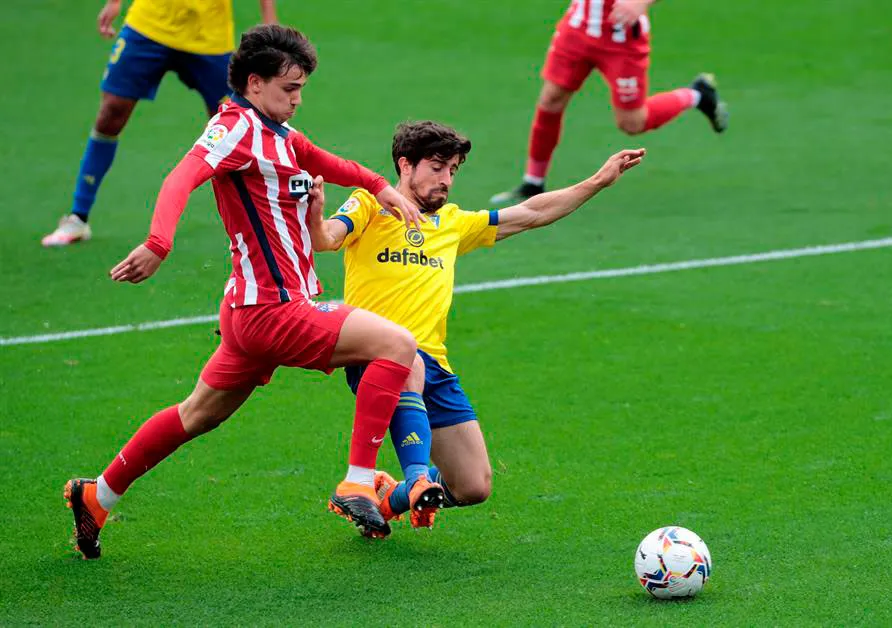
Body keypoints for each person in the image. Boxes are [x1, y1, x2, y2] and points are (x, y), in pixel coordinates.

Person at [64, 25, 428, 559]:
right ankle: (357, 480)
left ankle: (97, 495)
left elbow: (327, 162)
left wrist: (380, 186)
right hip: (272, 309)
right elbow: (181, 177)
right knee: (398, 345)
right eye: (290, 88)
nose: (298, 99)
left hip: (252, 310)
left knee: (198, 414)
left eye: (302, 88)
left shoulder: (277, 131)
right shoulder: (232, 128)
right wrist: (159, 243)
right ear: (254, 84)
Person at [308, 121, 644, 530]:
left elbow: (532, 213)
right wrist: (314, 215)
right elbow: (326, 239)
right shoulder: (369, 205)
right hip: (375, 354)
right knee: (406, 357)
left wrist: (597, 181)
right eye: (437, 167)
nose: (447, 179)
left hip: (435, 364)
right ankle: (415, 479)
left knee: (472, 486)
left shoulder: (452, 222)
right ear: (405, 165)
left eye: (453, 170)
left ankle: (389, 497)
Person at [42, 0, 278, 247]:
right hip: (149, 24)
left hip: (208, 34)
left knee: (237, 124)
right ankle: (77, 218)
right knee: (112, 111)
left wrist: (268, 20)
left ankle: (263, 220)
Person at [490, 0, 725, 206]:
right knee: (551, 100)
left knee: (632, 123)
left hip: (622, 39)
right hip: (577, 28)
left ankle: (697, 95)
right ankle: (533, 183)